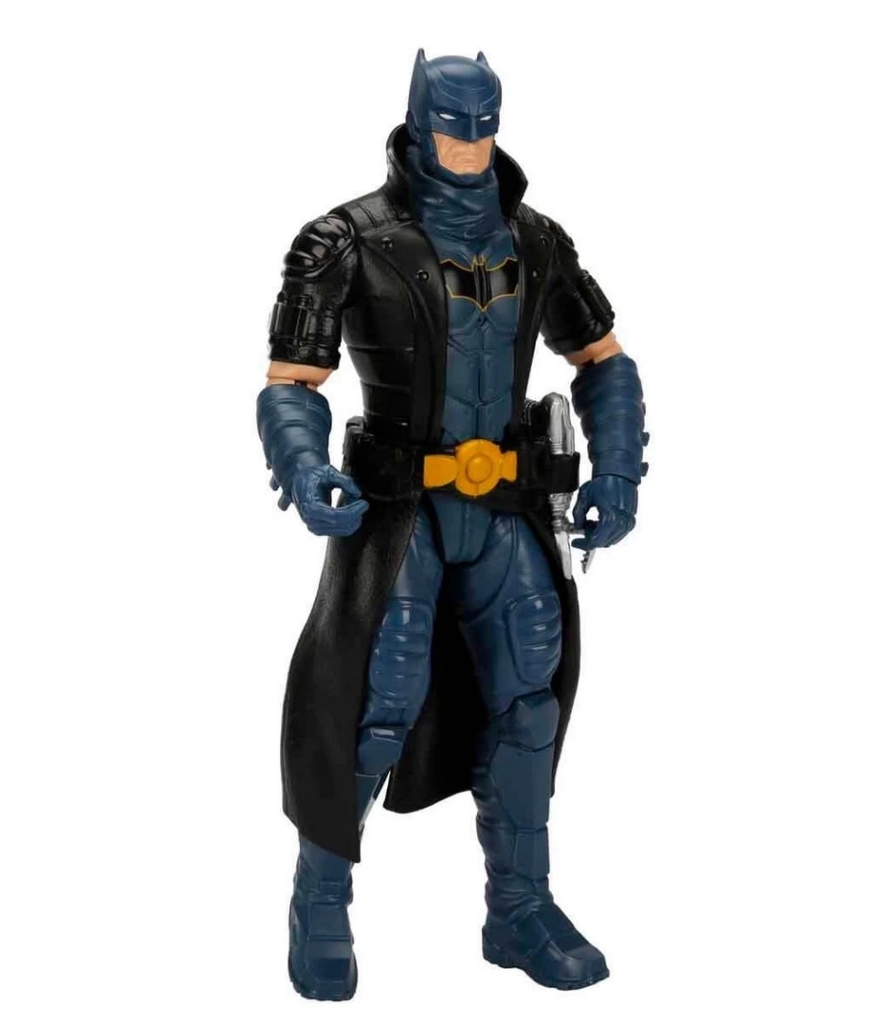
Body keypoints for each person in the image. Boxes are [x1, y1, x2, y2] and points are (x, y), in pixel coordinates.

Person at [257, 50, 647, 1000]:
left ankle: (519, 909)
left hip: (506, 507)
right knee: (371, 704)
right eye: (452, 128)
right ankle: (320, 902)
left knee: (528, 703)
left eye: (484, 129)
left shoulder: (537, 239)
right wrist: (304, 467)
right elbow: (293, 382)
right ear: (419, 121)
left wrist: (618, 468)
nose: (470, 147)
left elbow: (603, 357)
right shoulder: (343, 239)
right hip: (401, 513)